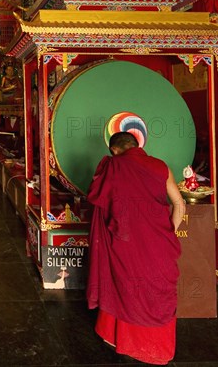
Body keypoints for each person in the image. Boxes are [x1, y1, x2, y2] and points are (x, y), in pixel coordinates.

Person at [86, 131, 186, 365]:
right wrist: (165, 233)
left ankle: (116, 337)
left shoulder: (111, 167)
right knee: (157, 287)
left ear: (114, 150)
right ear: (137, 145)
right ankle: (157, 348)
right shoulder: (161, 166)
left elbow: (100, 202)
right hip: (159, 241)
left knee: (123, 284)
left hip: (126, 243)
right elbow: (180, 204)